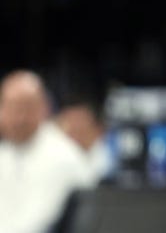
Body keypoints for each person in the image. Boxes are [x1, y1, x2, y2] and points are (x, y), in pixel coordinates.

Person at [0, 70, 96, 233]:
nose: (18, 118)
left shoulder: (63, 157)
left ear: (45, 108)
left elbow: (39, 224)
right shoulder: (5, 153)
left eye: (26, 108)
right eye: (11, 108)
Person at [55, 99, 116, 183]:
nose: (75, 133)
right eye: (70, 127)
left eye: (80, 128)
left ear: (98, 130)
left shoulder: (110, 160)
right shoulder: (55, 153)